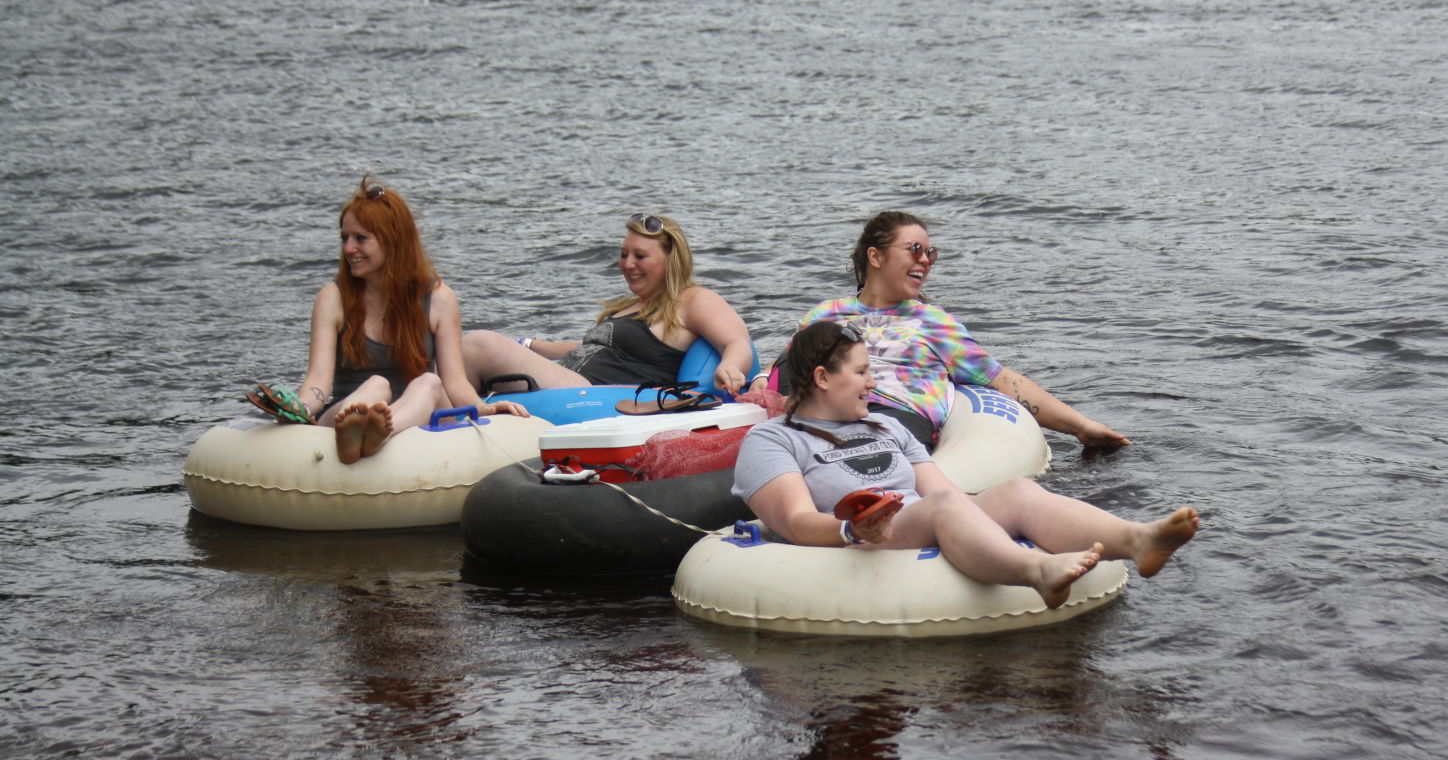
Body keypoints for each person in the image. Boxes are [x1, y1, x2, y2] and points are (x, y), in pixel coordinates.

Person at [734, 320, 1198, 609]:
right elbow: (795, 523)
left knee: (1013, 491)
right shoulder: (772, 440)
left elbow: (946, 493)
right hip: (858, 539)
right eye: (861, 373)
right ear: (821, 378)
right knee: (941, 509)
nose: (873, 383)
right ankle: (1037, 572)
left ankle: (1138, 540)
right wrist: (852, 529)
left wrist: (989, 510)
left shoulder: (885, 428)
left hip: (912, 519)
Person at [252, 175, 532, 465]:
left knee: (429, 382)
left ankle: (379, 433)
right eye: (344, 238)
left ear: (393, 242)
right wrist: (297, 408)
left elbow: (455, 382)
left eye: (361, 238)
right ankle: (358, 430)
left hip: (417, 415)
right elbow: (318, 381)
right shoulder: (332, 298)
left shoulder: (438, 299)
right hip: (347, 412)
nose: (348, 249)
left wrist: (482, 408)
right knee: (376, 385)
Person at [798, 210, 1129, 450]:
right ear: (876, 256)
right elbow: (784, 371)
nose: (926, 260)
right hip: (825, 414)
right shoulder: (826, 315)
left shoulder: (934, 324)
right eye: (915, 250)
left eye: (931, 253)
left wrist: (1081, 426)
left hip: (896, 420)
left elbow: (1002, 380)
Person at [461, 213, 753, 398]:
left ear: (670, 261)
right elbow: (588, 347)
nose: (627, 264)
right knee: (442, 372)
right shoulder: (629, 306)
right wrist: (529, 344)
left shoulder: (691, 300)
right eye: (624, 254)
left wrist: (730, 366)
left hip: (593, 395)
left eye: (640, 256)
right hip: (567, 378)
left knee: (479, 343)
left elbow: (735, 340)